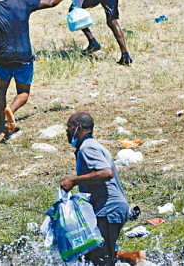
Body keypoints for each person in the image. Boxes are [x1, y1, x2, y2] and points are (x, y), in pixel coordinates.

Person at [0, 0, 74, 136]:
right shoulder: (22, 2)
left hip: (2, 58)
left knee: (1, 90)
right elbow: (49, 2)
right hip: (23, 57)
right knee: (23, 92)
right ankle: (12, 109)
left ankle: (1, 129)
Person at [60, 112, 129, 266]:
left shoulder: (88, 147)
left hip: (109, 210)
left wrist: (74, 180)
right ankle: (137, 258)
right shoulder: (87, 147)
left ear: (79, 128)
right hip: (105, 210)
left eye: (69, 127)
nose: (66, 131)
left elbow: (106, 173)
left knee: (101, 259)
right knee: (92, 256)